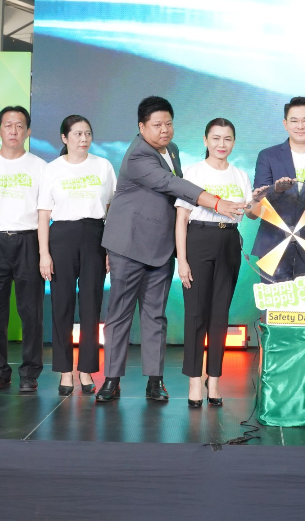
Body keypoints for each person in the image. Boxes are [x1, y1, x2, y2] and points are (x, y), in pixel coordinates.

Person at [97, 96, 245, 404]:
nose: (164, 130)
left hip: (160, 247)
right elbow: (172, 184)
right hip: (128, 245)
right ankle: (111, 379)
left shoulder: (172, 149)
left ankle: (155, 381)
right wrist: (217, 202)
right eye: (157, 125)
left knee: (156, 316)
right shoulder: (138, 155)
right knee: (120, 314)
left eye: (168, 123)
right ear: (141, 127)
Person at [175, 118, 259, 408]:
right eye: (216, 138)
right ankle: (194, 381)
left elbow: (251, 213)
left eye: (227, 139)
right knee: (196, 314)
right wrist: (182, 260)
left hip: (229, 242)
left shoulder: (240, 175)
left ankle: (214, 381)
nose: (222, 144)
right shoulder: (194, 172)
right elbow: (181, 218)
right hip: (199, 239)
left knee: (219, 315)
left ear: (234, 142)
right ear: (205, 140)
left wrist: (257, 201)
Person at [38, 115, 116, 396]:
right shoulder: (52, 169)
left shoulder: (103, 166)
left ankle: (86, 370)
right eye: (77, 134)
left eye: (88, 133)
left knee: (91, 305)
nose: (84, 139)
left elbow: (112, 210)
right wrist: (44, 254)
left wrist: (110, 249)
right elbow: (43, 214)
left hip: (95, 235)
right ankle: (64, 371)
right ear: (64, 138)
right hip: (61, 236)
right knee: (62, 305)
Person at [0, 106, 48, 392]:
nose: (13, 131)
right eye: (8, 125)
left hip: (29, 241)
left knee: (31, 312)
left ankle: (30, 373)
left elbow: (44, 209)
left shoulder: (40, 167)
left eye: (19, 126)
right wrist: (2, 226)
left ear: (28, 131)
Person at [252, 97, 305, 281]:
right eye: (294, 121)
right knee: (274, 300)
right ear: (285, 124)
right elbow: (257, 205)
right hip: (273, 247)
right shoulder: (268, 156)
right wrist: (275, 191)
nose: (300, 126)